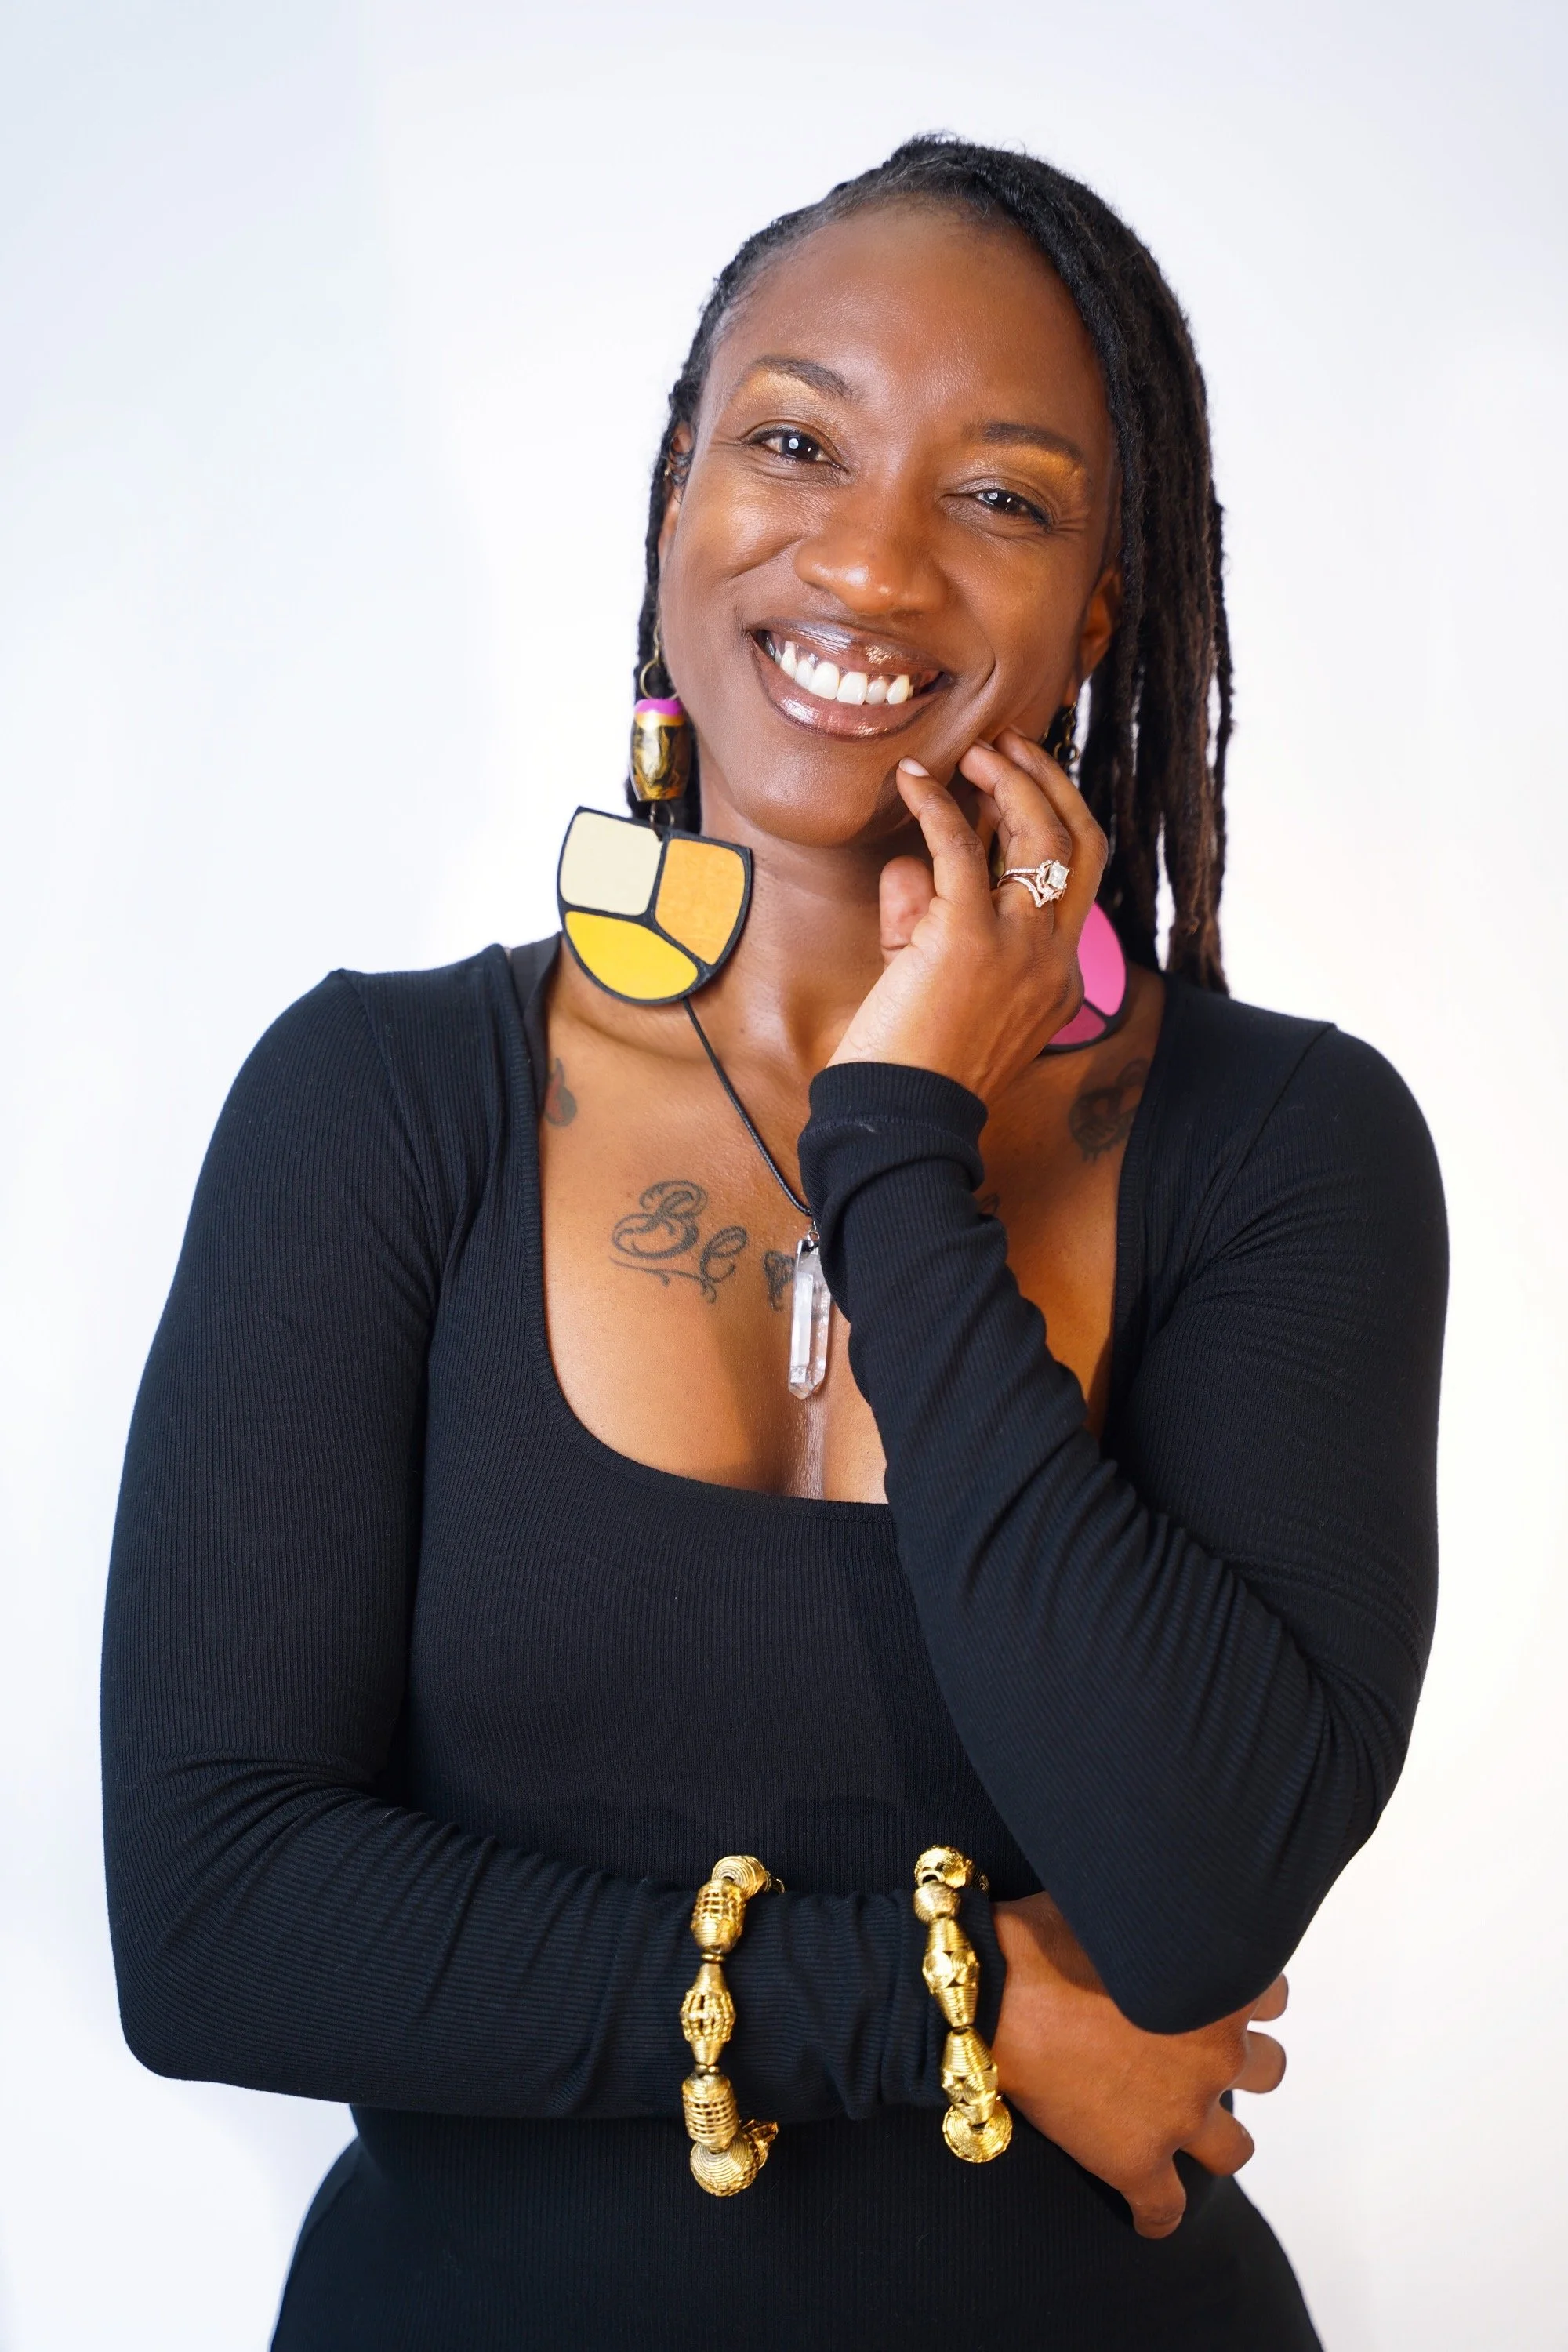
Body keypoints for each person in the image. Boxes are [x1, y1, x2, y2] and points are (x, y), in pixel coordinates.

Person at [101, 136, 1446, 2349]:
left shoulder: (1284, 1148)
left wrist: (900, 1149)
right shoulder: (381, 1105)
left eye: (999, 496)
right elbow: (216, 1917)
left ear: (1104, 609)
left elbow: (1196, 1893)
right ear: (676, 493)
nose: (871, 562)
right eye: (796, 443)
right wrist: (949, 2011)